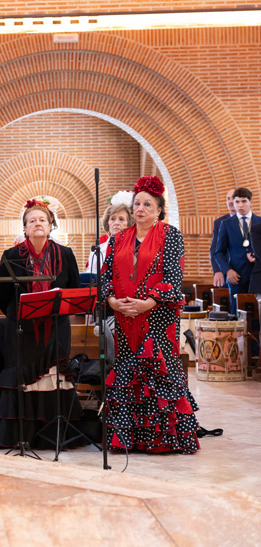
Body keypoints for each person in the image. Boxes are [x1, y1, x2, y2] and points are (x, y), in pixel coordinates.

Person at [102, 176, 200, 453]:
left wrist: (148, 302)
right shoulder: (118, 238)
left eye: (147, 204)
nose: (140, 209)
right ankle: (130, 438)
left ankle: (161, 439)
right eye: (137, 204)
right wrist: (113, 301)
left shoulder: (170, 235)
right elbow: (106, 276)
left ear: (159, 209)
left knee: (157, 374)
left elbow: (173, 276)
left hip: (157, 317)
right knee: (129, 374)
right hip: (125, 318)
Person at [0, 197, 81, 449]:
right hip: (22, 330)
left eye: (42, 220)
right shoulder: (11, 255)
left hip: (56, 328)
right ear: (25, 228)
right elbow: (0, 293)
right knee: (22, 376)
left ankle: (52, 436)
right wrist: (17, 313)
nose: (37, 223)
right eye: (32, 221)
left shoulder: (65, 254)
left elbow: (73, 289)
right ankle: (20, 435)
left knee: (54, 376)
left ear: (50, 225)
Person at [85, 195, 134, 367]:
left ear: (129, 223)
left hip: (130, 303)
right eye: (113, 219)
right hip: (105, 305)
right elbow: (90, 279)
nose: (116, 222)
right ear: (107, 223)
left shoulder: (136, 247)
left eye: (121, 219)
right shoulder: (99, 249)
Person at [213, 187, 257, 303]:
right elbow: (219, 252)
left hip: (257, 275)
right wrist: (227, 270)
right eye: (237, 202)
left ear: (250, 202)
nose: (240, 205)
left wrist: (257, 258)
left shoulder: (259, 222)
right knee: (236, 310)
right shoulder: (226, 224)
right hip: (236, 277)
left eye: (244, 201)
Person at [210, 188, 236, 288]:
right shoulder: (219, 222)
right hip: (226, 271)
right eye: (228, 199)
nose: (230, 201)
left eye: (233, 198)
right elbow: (214, 249)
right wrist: (217, 270)